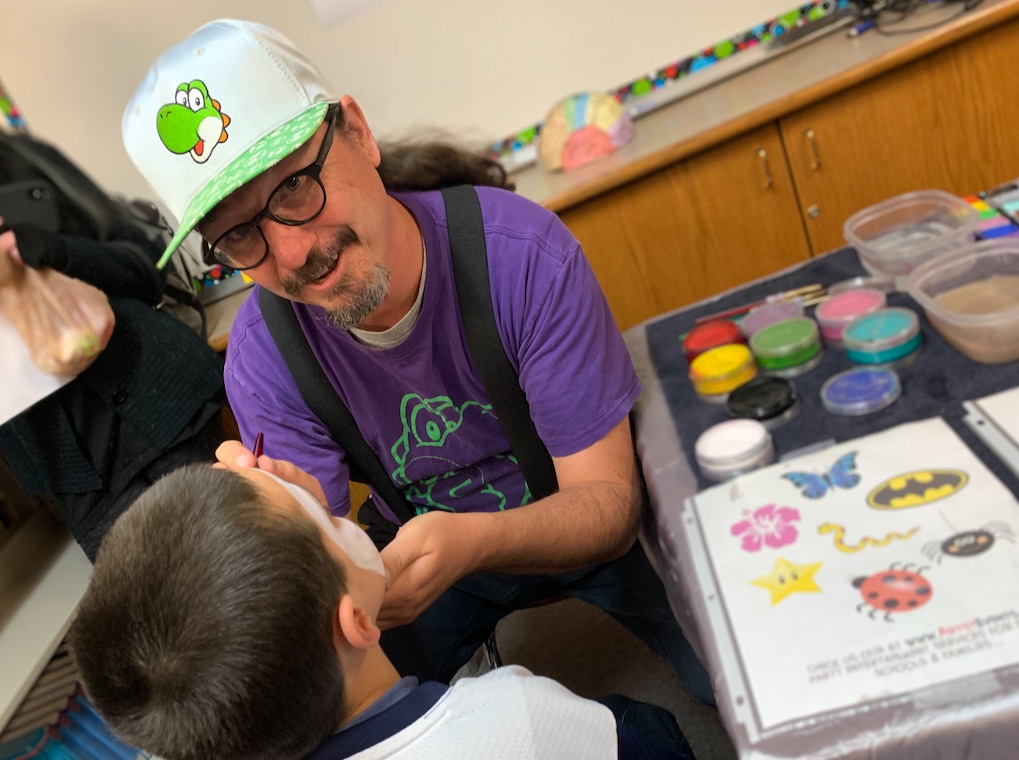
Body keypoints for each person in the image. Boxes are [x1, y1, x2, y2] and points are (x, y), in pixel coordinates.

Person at [123, 19, 713, 704]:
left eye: (293, 189)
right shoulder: (264, 357)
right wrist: (298, 519)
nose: (292, 254)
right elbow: (322, 576)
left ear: (357, 133)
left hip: (577, 516)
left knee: (742, 672)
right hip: (420, 549)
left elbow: (607, 505)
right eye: (238, 235)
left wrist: (475, 541)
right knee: (336, 709)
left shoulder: (522, 258)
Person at [67, 449, 695, 760]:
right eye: (326, 519)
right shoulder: (520, 717)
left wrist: (289, 512)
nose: (335, 510)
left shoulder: (197, 728)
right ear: (357, 623)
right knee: (643, 724)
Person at [0, 151, 226, 562]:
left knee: (245, 568)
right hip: (77, 479)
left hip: (167, 402)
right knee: (162, 598)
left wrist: (57, 251)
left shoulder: (23, 164)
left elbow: (147, 269)